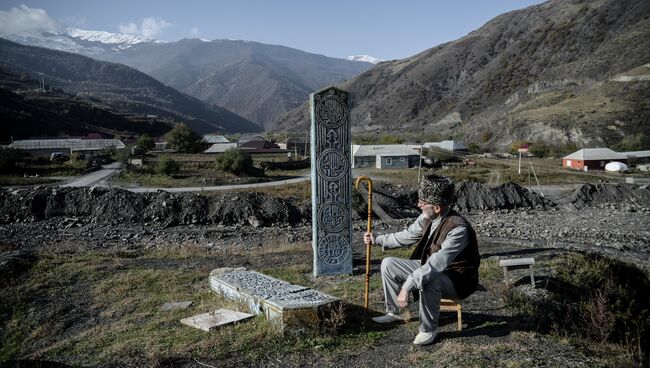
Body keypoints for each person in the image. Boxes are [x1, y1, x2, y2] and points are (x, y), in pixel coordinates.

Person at [363, 174, 479, 346]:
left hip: (458, 279)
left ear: (437, 207)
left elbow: (436, 264)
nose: (419, 205)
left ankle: (428, 329)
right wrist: (378, 239)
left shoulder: (458, 229)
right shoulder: (427, 216)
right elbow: (408, 235)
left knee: (429, 280)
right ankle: (396, 312)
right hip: (433, 268)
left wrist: (407, 286)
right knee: (388, 264)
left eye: (423, 203)